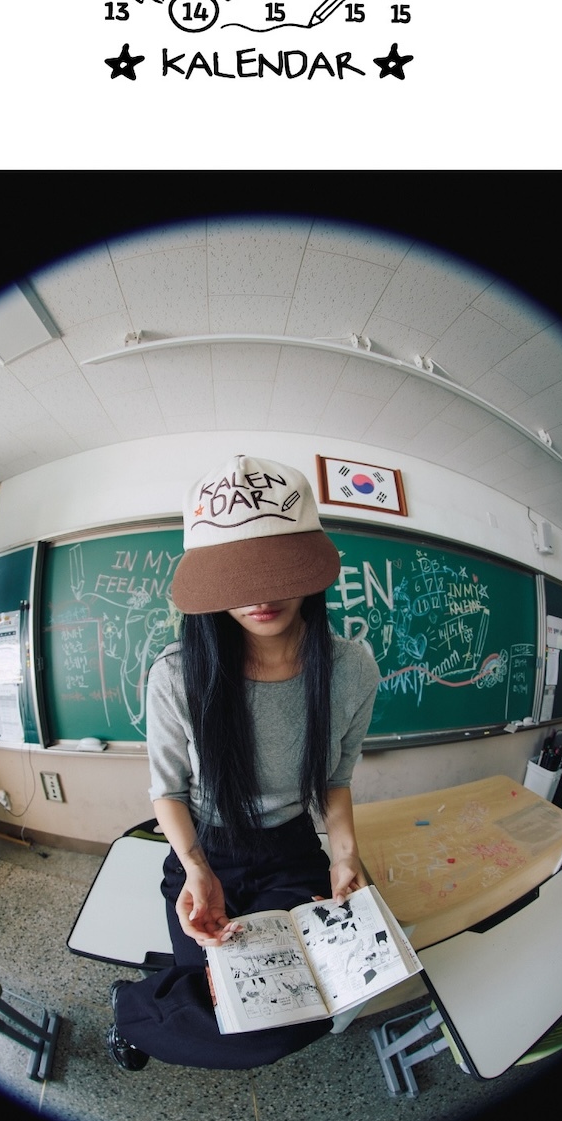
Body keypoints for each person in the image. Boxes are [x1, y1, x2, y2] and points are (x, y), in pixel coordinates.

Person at [124, 455, 373, 1064]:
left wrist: (345, 857)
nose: (259, 596)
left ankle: (140, 1009)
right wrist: (196, 869)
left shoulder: (352, 669)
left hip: (291, 850)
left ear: (308, 568)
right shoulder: (176, 675)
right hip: (208, 850)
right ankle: (135, 1007)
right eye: (236, 578)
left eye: (277, 570)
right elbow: (168, 790)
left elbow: (335, 778)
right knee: (225, 1001)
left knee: (301, 1007)